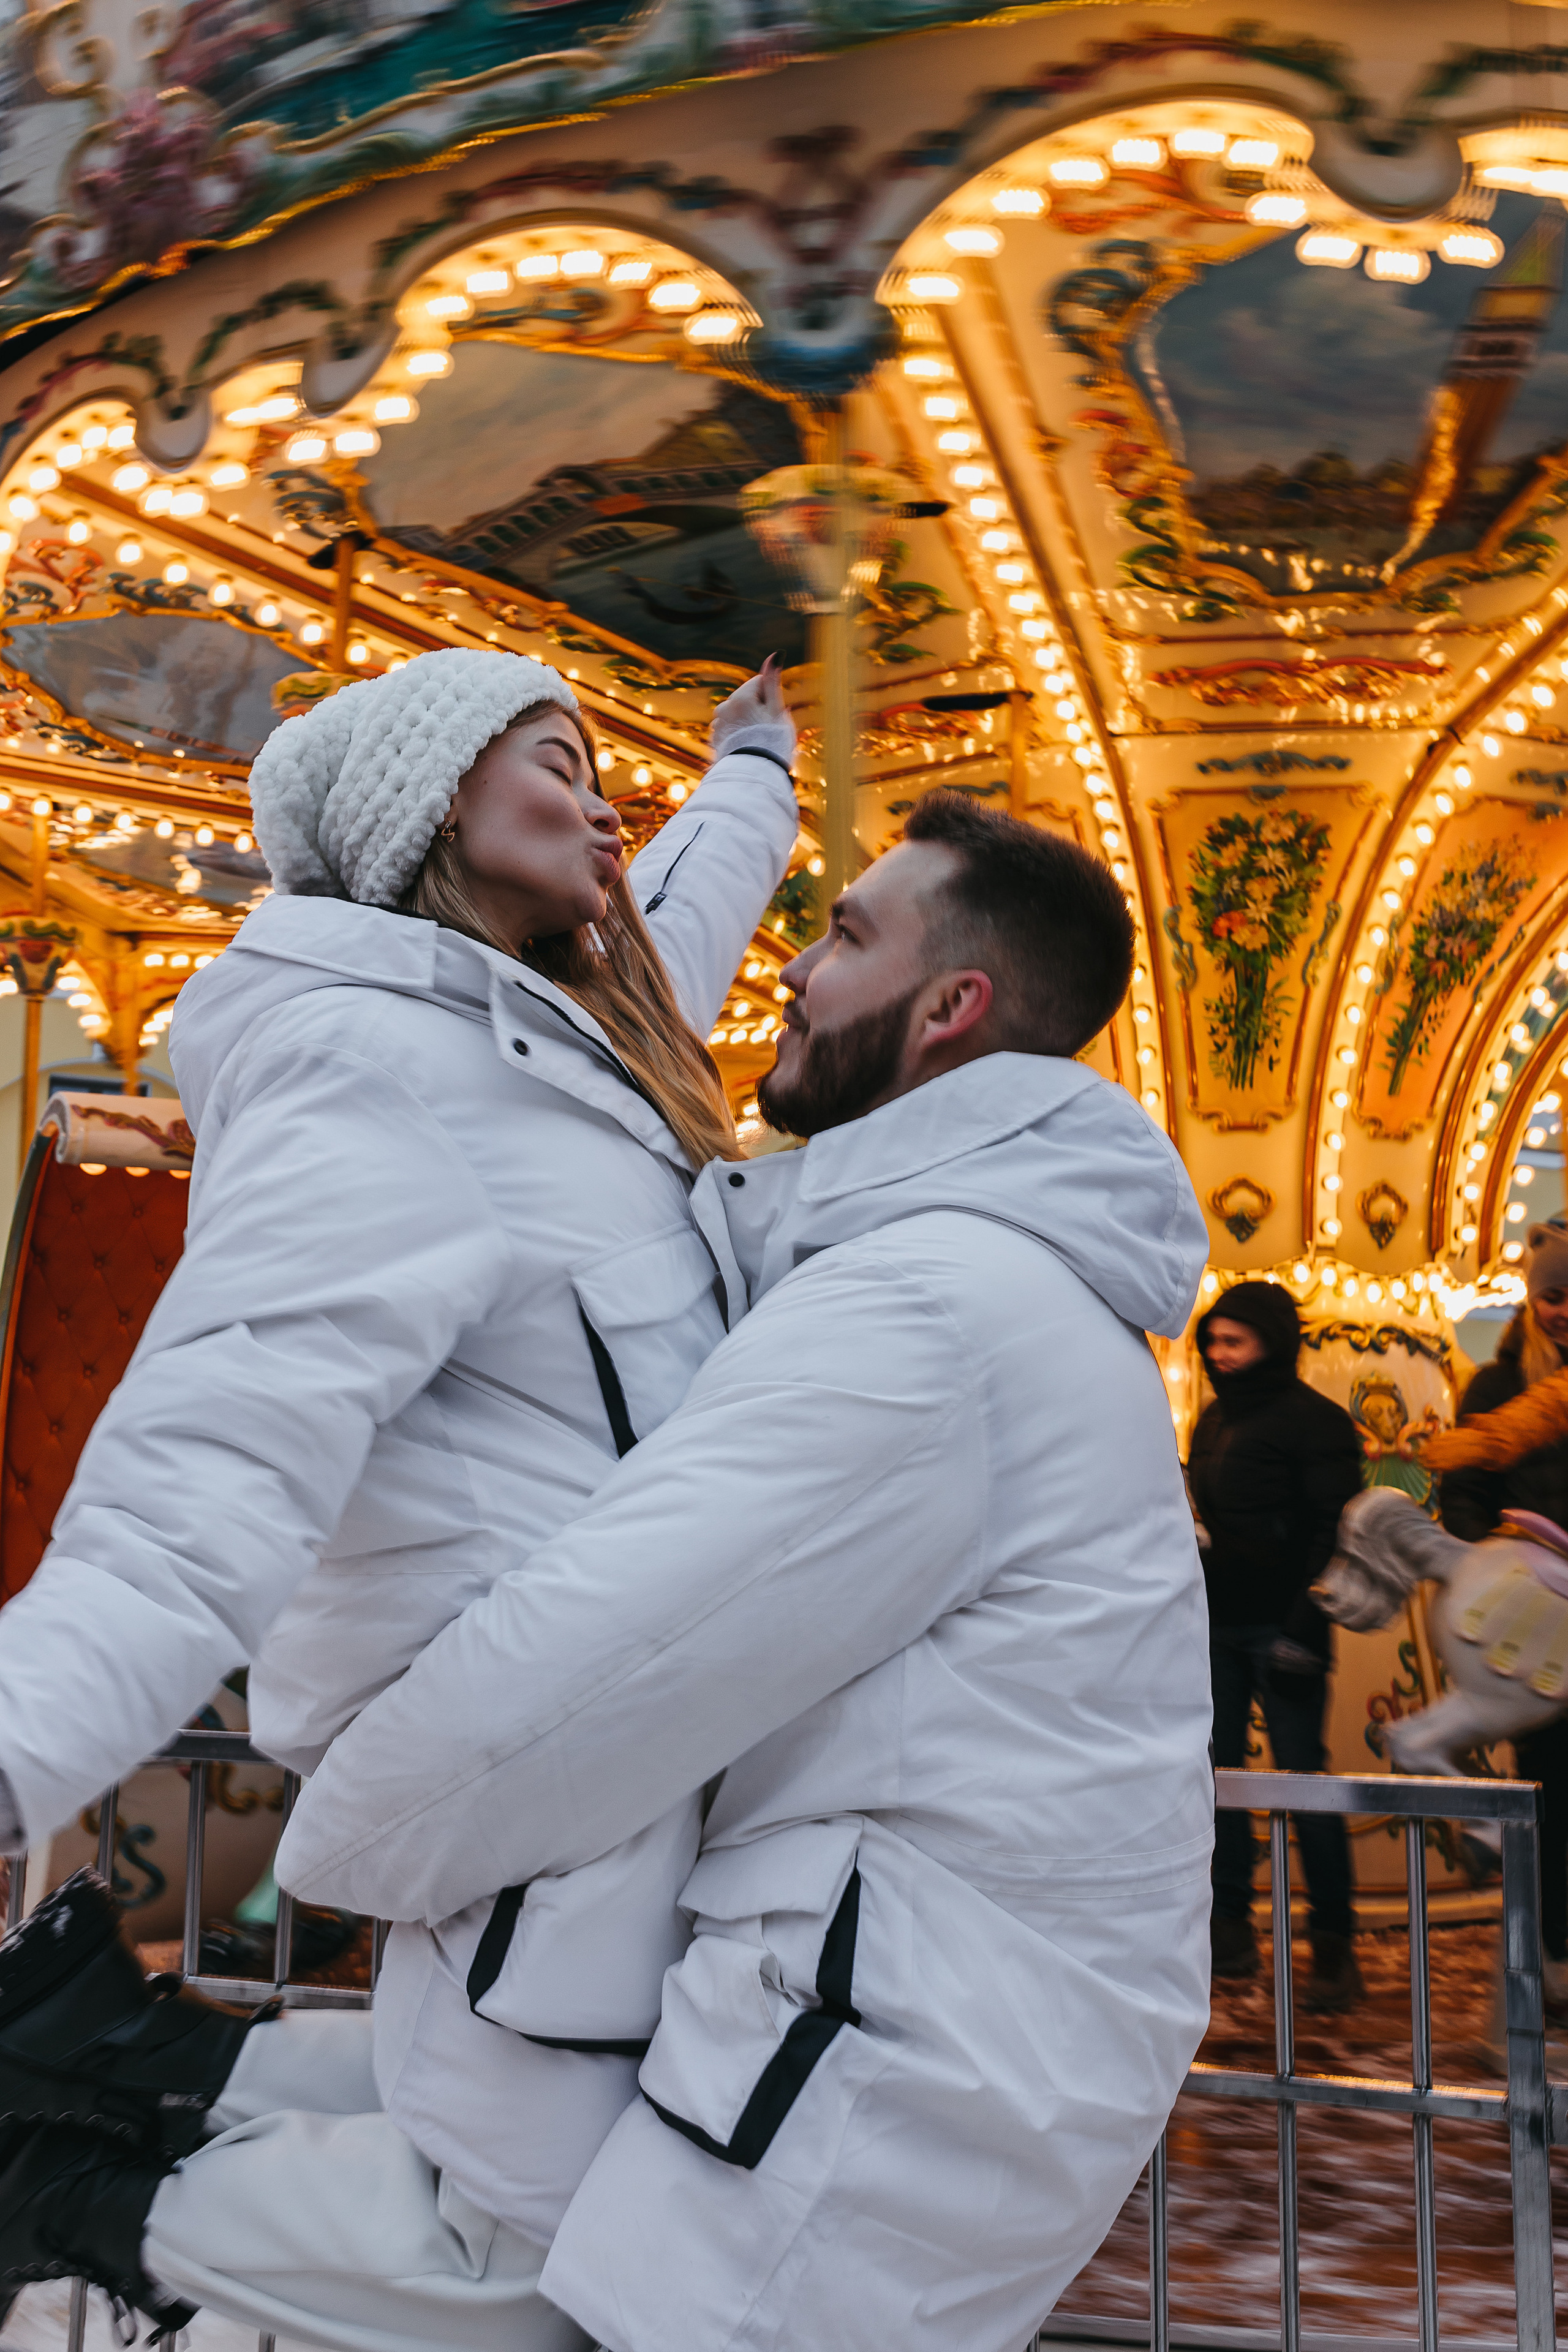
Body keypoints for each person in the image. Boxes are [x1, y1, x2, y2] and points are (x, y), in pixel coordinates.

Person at [0, 793, 1218, 2352]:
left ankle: (85, 2141)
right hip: (912, 2007)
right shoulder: (963, 1278)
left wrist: (347, 1835)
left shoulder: (930, 1314)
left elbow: (587, 1674)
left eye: (845, 934)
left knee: (528, 2277)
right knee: (510, 2219)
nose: (795, 966)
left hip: (897, 2036)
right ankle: (117, 2090)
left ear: (949, 1007)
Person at [0, 643, 799, 2343]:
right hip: (526, 1767)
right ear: (436, 792)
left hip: (628, 1745)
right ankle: (79, 2179)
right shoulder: (368, 1064)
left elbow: (673, 909)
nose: (600, 802)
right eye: (557, 759)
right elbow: (215, 1451)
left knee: (604, 2234)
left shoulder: (552, 1042)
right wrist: (16, 1750)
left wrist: (755, 780)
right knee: (561, 2275)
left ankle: (134, 2073)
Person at [1188, 1281, 1364, 2012]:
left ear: (1272, 1341)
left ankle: (1332, 1944)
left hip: (1284, 1625)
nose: (1222, 1356)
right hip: (1220, 1623)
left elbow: (1334, 1530)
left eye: (1236, 1342)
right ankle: (1230, 1928)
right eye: (1214, 1343)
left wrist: (1303, 1623)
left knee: (1303, 1780)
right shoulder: (1212, 1419)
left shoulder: (1314, 1422)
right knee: (1218, 1775)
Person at [1435, 1219, 1568, 2007]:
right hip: (1535, 1610)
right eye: (1552, 1296)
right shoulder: (1495, 1389)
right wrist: (1490, 1561)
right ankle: (1547, 1953)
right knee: (1548, 1788)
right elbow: (1465, 1494)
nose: (1563, 1312)